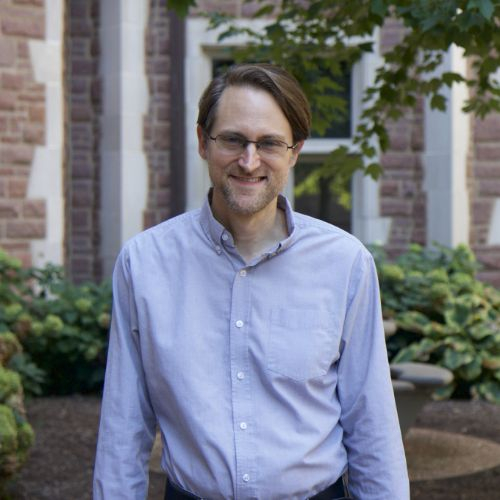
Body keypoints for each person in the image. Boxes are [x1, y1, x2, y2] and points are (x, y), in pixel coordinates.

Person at [93, 63, 409, 500]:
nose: (249, 160)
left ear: (295, 151)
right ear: (203, 141)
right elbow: (123, 428)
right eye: (234, 140)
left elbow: (371, 424)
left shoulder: (345, 263)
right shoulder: (145, 264)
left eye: (269, 143)